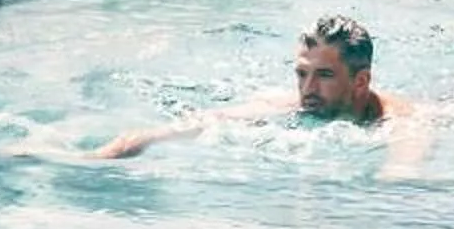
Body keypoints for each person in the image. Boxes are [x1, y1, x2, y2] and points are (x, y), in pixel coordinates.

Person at [76, 14, 416, 162]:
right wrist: (106, 153)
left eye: (324, 75)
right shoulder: (284, 106)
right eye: (301, 73)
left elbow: (403, 168)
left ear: (360, 81)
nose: (307, 88)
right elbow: (195, 123)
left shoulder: (398, 123)